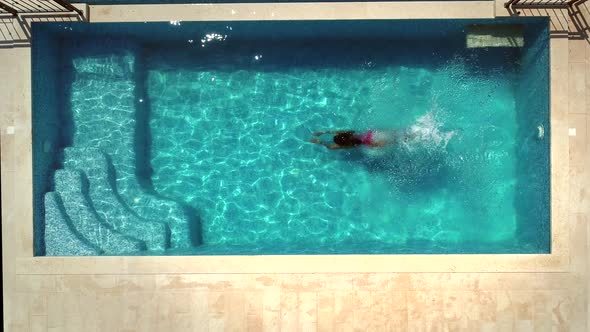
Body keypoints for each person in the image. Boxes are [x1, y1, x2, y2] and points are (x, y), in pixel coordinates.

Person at [309, 130, 388, 149]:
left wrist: (320, 142)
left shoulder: (350, 145)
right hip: (371, 134)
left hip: (371, 141)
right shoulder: (350, 133)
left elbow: (331, 147)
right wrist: (323, 132)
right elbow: (337, 132)